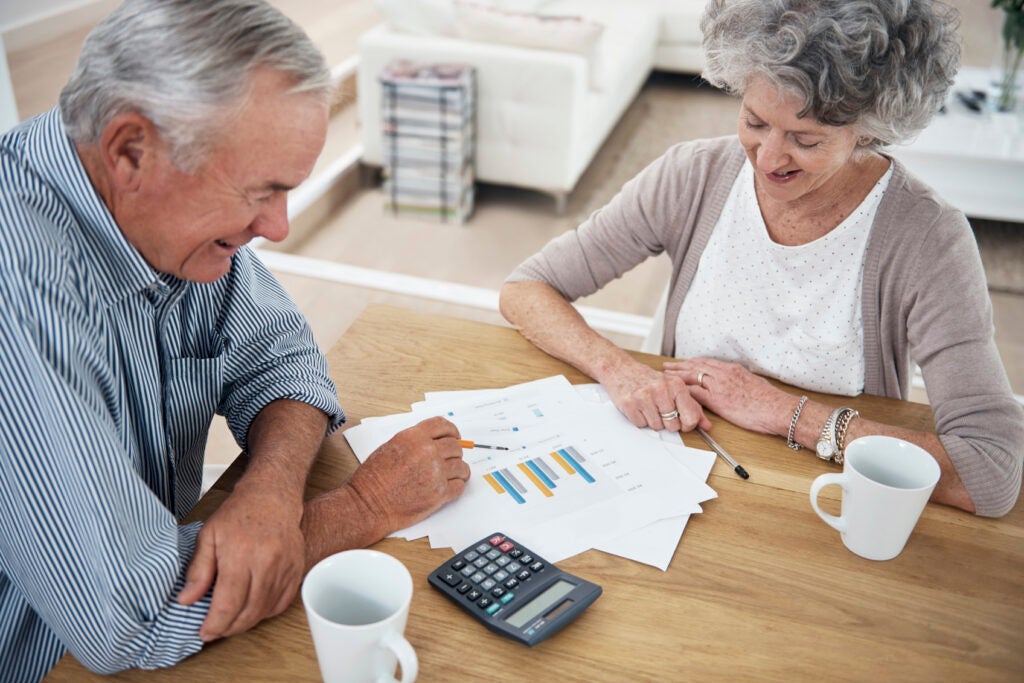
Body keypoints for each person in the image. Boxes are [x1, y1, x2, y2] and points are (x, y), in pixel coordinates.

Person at [0, 1, 470, 680]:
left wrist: (271, 492)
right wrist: (359, 509)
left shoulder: (168, 218)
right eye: (261, 191)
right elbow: (132, 619)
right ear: (132, 150)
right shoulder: (21, 287)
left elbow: (285, 358)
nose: (277, 228)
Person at [500, 0, 1023, 519]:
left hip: (831, 502)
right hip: (682, 480)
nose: (768, 159)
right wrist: (620, 371)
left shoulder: (928, 240)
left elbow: (992, 470)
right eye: (754, 121)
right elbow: (527, 289)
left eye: (805, 139)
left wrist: (784, 414)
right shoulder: (692, 175)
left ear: (868, 129)